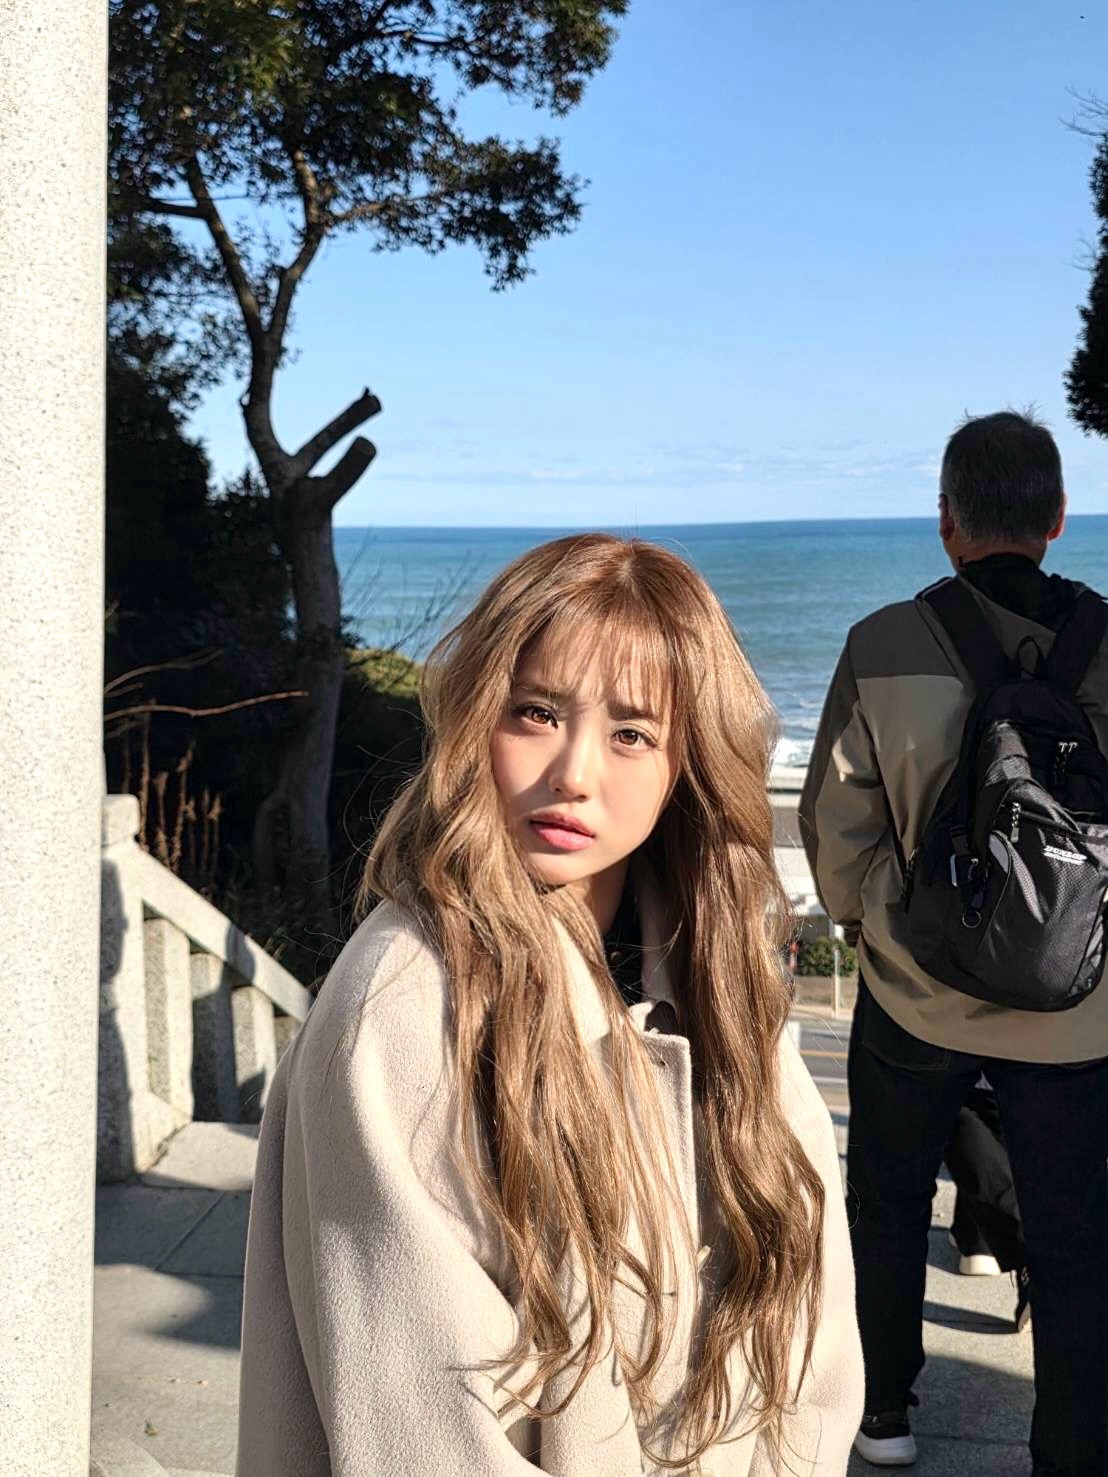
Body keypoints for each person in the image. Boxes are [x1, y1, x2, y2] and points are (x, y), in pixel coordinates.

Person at [236, 534, 863, 1476]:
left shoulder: (719, 986)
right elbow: (427, 1429)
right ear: (476, 719)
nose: (574, 771)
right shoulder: (404, 1003)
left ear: (685, 765)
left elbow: (816, 1338)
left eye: (632, 733)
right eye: (536, 713)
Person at [799, 411, 1108, 1475]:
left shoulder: (882, 642)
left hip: (915, 992)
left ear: (946, 522)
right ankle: (1069, 1445)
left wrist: (881, 927)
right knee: (1076, 1232)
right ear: (1058, 518)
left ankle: (884, 1413)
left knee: (887, 1202)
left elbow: (836, 827)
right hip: (1079, 1011)